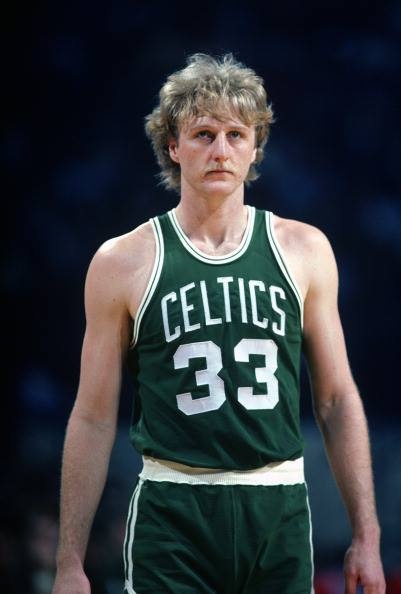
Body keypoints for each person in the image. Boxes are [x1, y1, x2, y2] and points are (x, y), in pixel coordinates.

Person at [52, 53, 385, 594]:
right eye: (203, 134)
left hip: (276, 508)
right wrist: (70, 563)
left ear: (256, 147)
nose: (221, 150)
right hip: (172, 510)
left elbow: (336, 400)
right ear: (172, 146)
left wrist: (366, 537)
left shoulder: (304, 249)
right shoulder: (122, 262)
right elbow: (91, 415)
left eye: (236, 134)